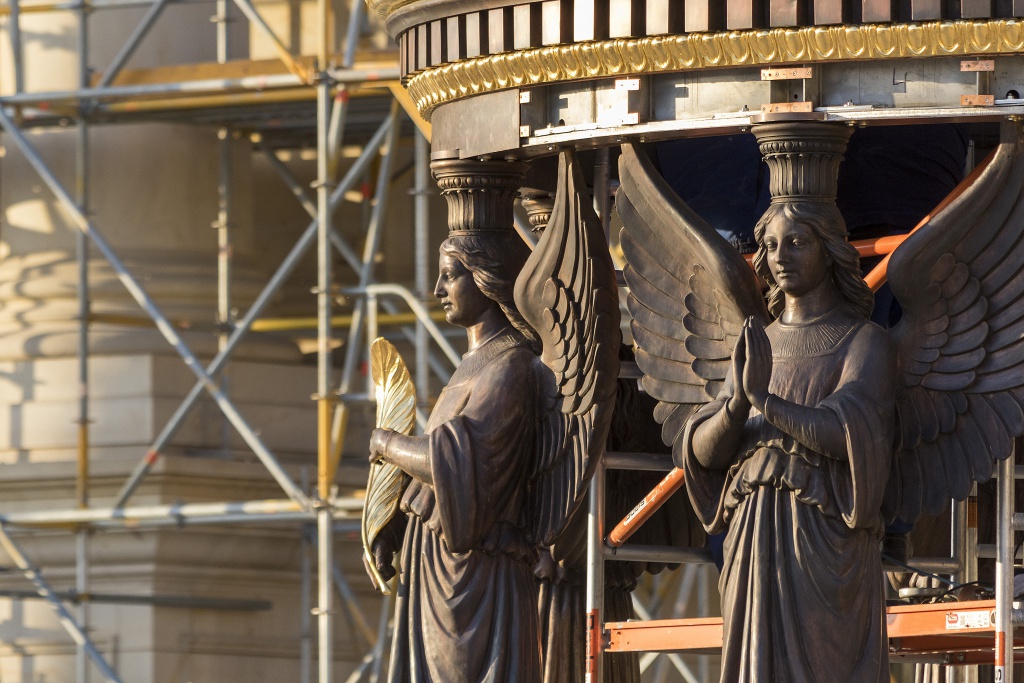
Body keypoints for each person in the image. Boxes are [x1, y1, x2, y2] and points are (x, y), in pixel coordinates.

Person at [679, 200, 897, 682]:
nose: (781, 256)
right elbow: (701, 452)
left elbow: (850, 434)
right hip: (752, 535)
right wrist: (736, 405)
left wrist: (764, 400)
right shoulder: (757, 339)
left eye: (798, 243)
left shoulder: (864, 342)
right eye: (771, 245)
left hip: (825, 544)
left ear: (831, 250)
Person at [367, 231, 544, 683]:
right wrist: (397, 525)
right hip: (437, 569)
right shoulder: (473, 364)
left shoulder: (512, 366)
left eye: (449, 277)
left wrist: (386, 444)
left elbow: (460, 462)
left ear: (486, 279)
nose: (437, 290)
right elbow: (436, 478)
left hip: (474, 582)